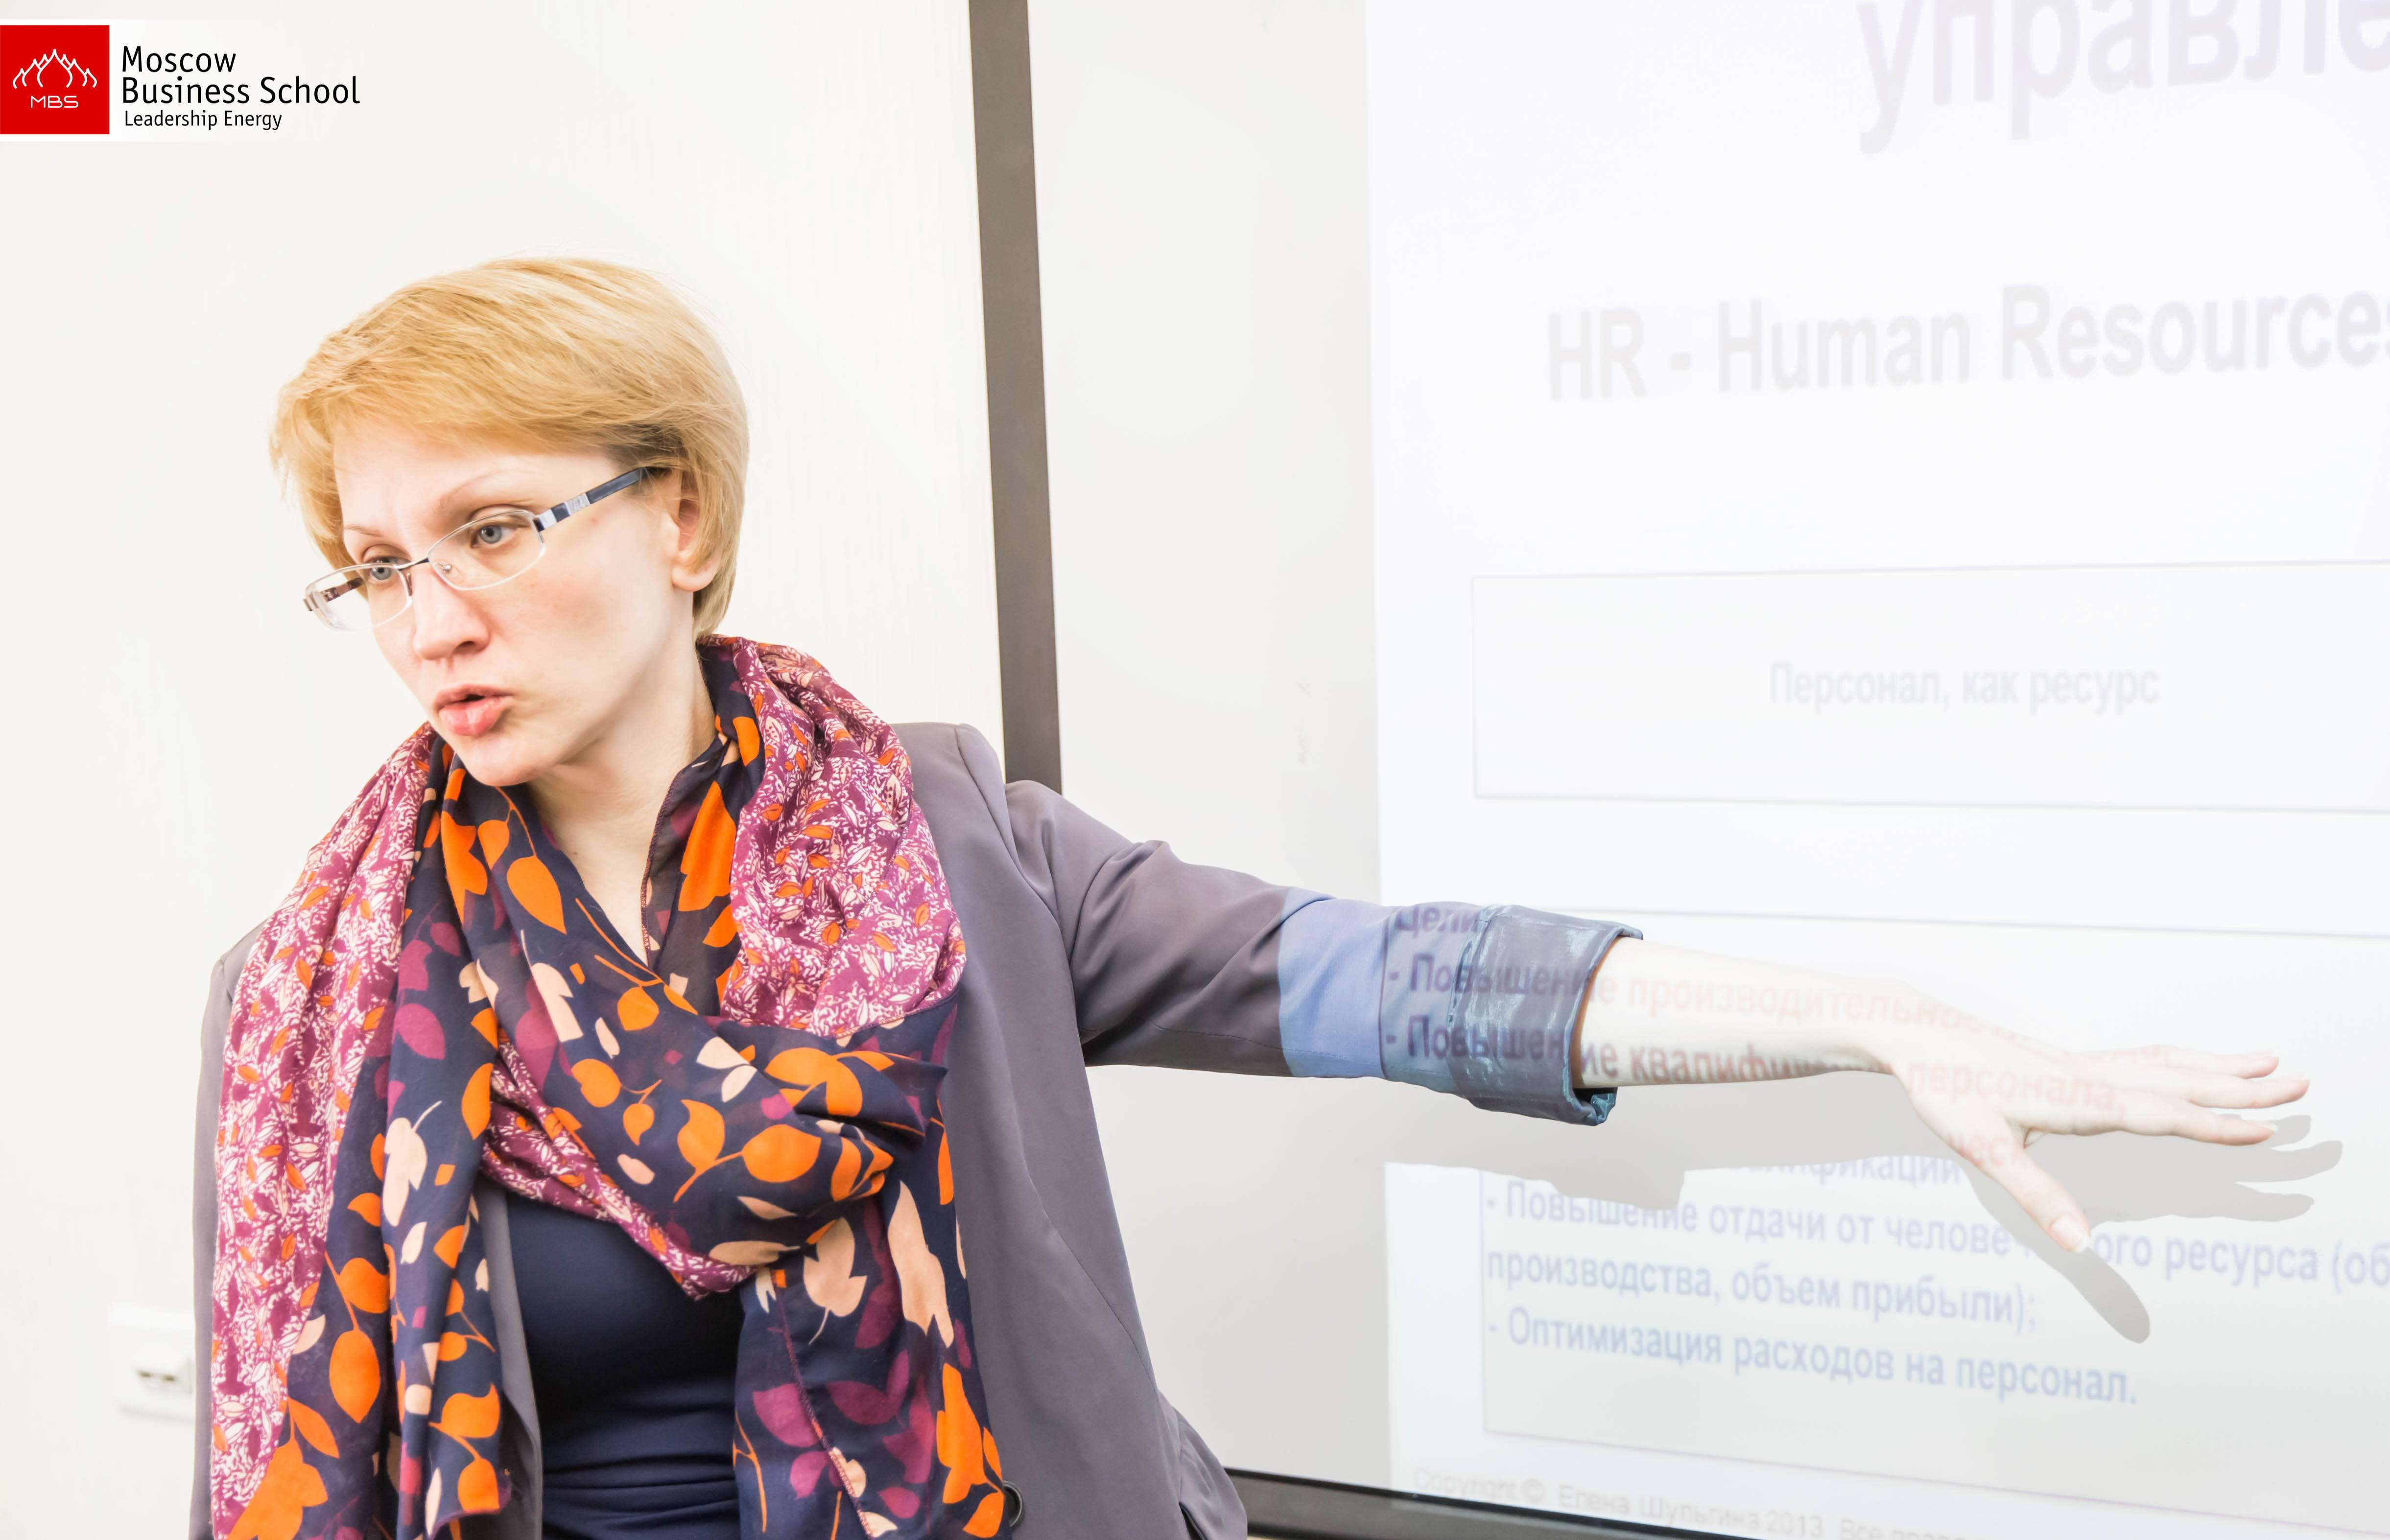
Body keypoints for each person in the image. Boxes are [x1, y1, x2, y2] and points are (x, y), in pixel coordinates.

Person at [189, 257, 2306, 1540]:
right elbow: (265, 1446)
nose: (426, 617)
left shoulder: (946, 849)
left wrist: (1873, 1018)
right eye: (377, 563)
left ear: (683, 516)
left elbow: (1386, 977)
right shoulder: (309, 994)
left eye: (491, 527)